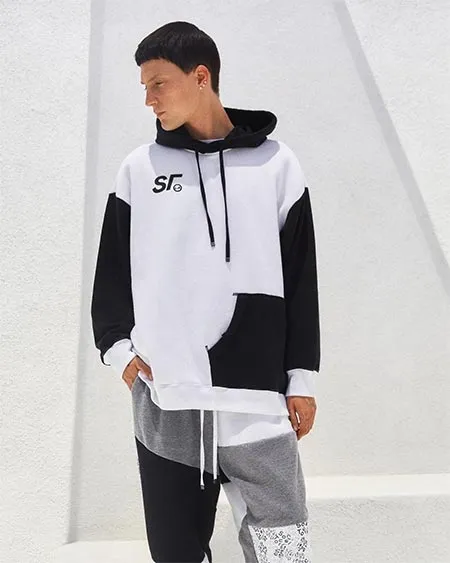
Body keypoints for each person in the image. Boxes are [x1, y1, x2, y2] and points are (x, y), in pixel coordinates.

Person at [91, 20, 320, 563]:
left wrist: (302, 378)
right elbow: (111, 272)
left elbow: (301, 277)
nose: (148, 100)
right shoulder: (140, 169)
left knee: (282, 548)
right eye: (144, 87)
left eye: (158, 84)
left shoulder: (276, 164)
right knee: (175, 552)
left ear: (201, 77)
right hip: (168, 396)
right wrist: (119, 351)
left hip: (257, 398)